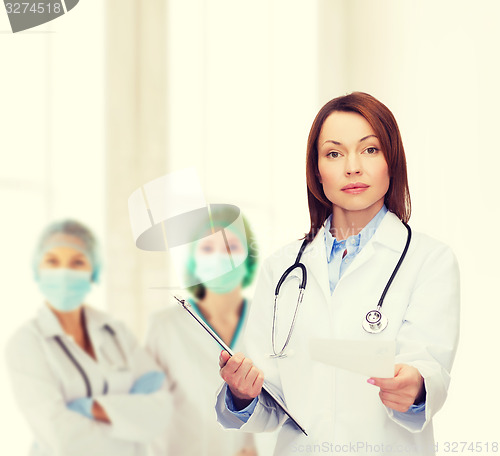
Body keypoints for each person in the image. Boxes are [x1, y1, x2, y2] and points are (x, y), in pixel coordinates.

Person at [215, 92, 460, 455]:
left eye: (369, 150)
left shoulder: (430, 260)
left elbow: (429, 368)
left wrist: (417, 387)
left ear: (392, 161)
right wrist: (241, 393)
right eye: (334, 153)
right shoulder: (281, 269)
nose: (352, 167)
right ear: (317, 170)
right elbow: (271, 404)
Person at [5, 219, 170, 456]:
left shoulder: (116, 332)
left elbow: (160, 411)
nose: (64, 272)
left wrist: (90, 408)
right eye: (52, 261)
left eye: (77, 262)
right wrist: (128, 419)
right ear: (37, 269)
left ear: (93, 271)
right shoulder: (26, 343)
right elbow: (61, 438)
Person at [146, 206, 269, 456]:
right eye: (207, 249)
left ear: (248, 257)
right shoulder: (165, 327)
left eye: (231, 248)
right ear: (193, 260)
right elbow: (151, 420)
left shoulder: (272, 323)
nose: (219, 259)